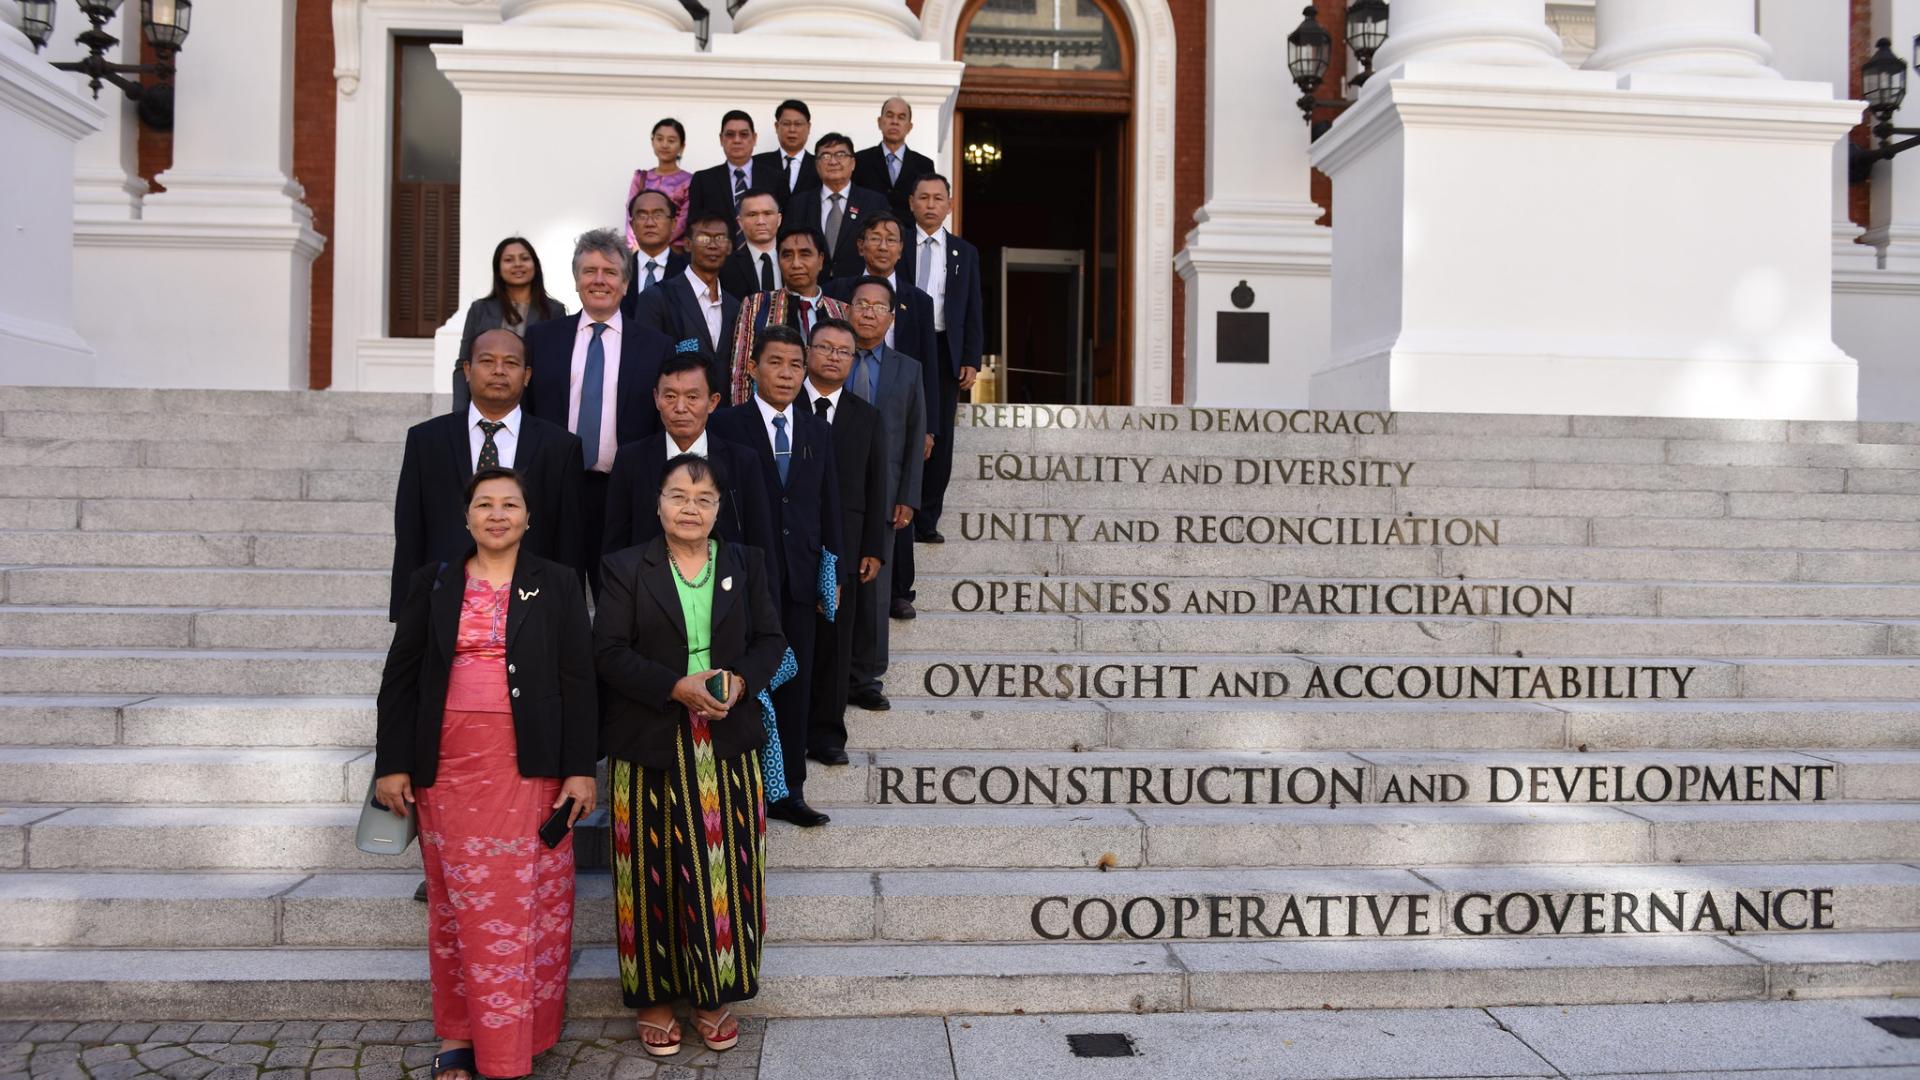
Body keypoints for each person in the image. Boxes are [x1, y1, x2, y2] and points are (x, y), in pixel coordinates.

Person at [375, 466, 599, 1080]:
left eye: (510, 504)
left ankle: (515, 1042)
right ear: (466, 517)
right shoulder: (435, 582)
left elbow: (579, 682)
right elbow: (400, 677)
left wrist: (581, 770)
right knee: (457, 909)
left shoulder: (555, 583)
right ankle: (457, 1034)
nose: (497, 514)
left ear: (529, 517)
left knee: (525, 904)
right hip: (447, 770)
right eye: (484, 504)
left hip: (530, 768)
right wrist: (391, 763)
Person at [595, 453, 787, 1057]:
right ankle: (653, 997)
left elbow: (772, 639)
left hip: (726, 738)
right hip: (651, 735)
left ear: (719, 508)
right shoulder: (626, 567)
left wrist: (739, 682)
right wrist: (674, 686)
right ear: (658, 502)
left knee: (724, 870)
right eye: (679, 496)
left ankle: (712, 992)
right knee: (647, 872)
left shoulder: (744, 563)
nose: (690, 508)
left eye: (704, 499)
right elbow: (608, 651)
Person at [709, 325, 843, 827]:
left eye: (794, 364)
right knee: (749, 681)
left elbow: (827, 503)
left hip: (801, 578)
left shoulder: (815, 429)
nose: (786, 374)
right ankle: (744, 787)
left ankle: (790, 791)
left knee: (796, 684)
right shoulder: (725, 426)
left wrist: (832, 571)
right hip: (743, 581)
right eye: (775, 363)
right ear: (752, 368)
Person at [393, 328, 583, 621]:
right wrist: (406, 612)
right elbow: (410, 531)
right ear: (467, 370)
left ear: (527, 375)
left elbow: (569, 539)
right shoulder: (426, 440)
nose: (498, 371)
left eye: (510, 363)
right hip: (445, 599)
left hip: (532, 603)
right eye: (486, 361)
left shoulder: (560, 446)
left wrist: (570, 614)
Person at [525, 228, 672, 589]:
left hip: (623, 491)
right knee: (559, 596)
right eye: (589, 271)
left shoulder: (656, 347)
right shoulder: (542, 340)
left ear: (625, 284)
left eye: (610, 272)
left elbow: (660, 422)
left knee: (620, 596)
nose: (599, 280)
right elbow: (527, 414)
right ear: (576, 281)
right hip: (557, 492)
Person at [602, 353, 778, 580]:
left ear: (713, 402)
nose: (680, 407)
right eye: (670, 396)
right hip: (647, 596)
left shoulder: (742, 461)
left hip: (726, 597)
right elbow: (615, 544)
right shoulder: (631, 459)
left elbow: (760, 544)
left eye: (693, 397)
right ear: (656, 398)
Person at [800, 318, 886, 762]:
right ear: (808, 352)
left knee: (836, 642)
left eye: (843, 351)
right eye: (825, 347)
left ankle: (828, 735)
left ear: (854, 361)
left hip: (847, 548)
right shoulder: (784, 406)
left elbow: (877, 487)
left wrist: (873, 548)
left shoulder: (867, 417)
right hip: (791, 543)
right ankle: (788, 732)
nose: (833, 357)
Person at [841, 277, 925, 690]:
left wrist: (909, 496)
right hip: (835, 485)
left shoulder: (909, 370)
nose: (869, 312)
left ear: (891, 317)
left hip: (886, 491)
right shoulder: (828, 358)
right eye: (861, 304)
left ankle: (869, 677)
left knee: (876, 588)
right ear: (847, 309)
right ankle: (833, 672)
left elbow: (914, 435)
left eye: (879, 306)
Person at [900, 171, 983, 558]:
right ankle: (901, 505)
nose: (930, 205)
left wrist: (970, 357)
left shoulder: (964, 252)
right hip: (903, 341)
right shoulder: (897, 244)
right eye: (924, 198)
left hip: (943, 346)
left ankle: (927, 518)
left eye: (938, 198)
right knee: (904, 427)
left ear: (950, 205)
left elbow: (972, 309)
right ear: (911, 203)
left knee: (941, 436)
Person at [724, 224, 848, 404]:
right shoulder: (757, 304)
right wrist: (746, 421)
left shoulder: (840, 310)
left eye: (805, 254)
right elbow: (741, 372)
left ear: (820, 260)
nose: (796, 264)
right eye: (787, 255)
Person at [452, 237, 568, 411]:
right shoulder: (480, 309)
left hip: (534, 409)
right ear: (498, 269)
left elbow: (557, 369)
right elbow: (463, 365)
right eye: (508, 260)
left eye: (524, 258)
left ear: (535, 265)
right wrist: (460, 411)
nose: (517, 264)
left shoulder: (554, 311)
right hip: (484, 406)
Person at [632, 209, 740, 386]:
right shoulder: (657, 298)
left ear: (729, 247)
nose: (713, 245)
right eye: (704, 238)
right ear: (688, 244)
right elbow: (645, 365)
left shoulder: (735, 306)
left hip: (724, 411)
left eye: (720, 238)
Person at [824, 212, 936, 377]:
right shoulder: (834, 292)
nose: (883, 247)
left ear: (900, 250)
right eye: (875, 238)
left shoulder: (920, 302)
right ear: (861, 246)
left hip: (899, 393)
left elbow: (928, 366)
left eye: (891, 240)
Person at [789, 132, 888, 281]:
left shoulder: (875, 202)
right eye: (826, 156)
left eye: (841, 155)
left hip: (859, 289)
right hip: (811, 289)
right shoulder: (799, 204)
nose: (833, 161)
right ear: (816, 165)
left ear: (853, 163)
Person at [687, 110, 780, 247]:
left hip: (763, 259)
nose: (737, 140)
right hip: (718, 260)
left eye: (743, 134)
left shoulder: (775, 178)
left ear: (754, 138)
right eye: (730, 135)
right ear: (721, 139)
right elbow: (694, 226)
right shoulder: (703, 180)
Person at [852, 97, 933, 222]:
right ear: (879, 122)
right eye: (889, 116)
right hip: (870, 235)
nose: (895, 121)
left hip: (909, 236)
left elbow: (927, 205)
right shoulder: (860, 160)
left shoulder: (924, 165)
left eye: (901, 117)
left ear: (909, 126)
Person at [624, 118, 693, 252]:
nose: (664, 145)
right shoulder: (641, 177)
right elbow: (630, 215)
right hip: (640, 250)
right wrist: (634, 246)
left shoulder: (689, 181)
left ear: (682, 146)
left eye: (671, 141)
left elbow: (683, 220)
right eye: (660, 139)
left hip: (674, 252)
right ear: (652, 141)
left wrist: (658, 244)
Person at [623, 188, 689, 310]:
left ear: (673, 223)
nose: (650, 223)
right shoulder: (620, 269)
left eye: (658, 215)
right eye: (642, 216)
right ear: (632, 225)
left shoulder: (689, 270)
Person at [752, 99, 818, 207]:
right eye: (786, 124)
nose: (792, 129)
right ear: (777, 127)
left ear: (808, 127)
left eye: (798, 124)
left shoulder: (820, 165)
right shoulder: (757, 163)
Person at [721, 189, 782, 300]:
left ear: (779, 219)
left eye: (767, 213)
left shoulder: (796, 260)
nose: (760, 221)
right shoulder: (725, 267)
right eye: (752, 214)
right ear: (740, 222)